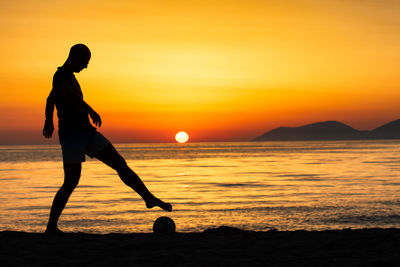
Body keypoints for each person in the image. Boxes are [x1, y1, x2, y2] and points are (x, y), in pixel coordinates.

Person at [43, 44, 172, 234]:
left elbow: (49, 99)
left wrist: (48, 120)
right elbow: (70, 98)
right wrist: (90, 110)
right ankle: (51, 227)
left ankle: (149, 198)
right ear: (75, 57)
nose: (86, 66)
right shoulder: (61, 76)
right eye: (85, 62)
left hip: (86, 132)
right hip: (72, 135)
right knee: (71, 181)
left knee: (119, 163)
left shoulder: (68, 76)